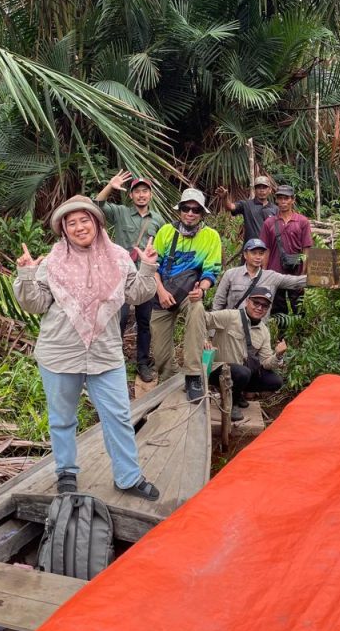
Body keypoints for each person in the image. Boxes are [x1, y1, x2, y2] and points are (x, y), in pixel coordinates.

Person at [14, 195, 160, 500]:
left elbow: (136, 295)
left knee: (118, 416)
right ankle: (66, 472)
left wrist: (146, 268)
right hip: (59, 353)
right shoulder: (52, 262)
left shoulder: (119, 257)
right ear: (63, 229)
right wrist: (27, 275)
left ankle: (128, 477)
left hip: (105, 353)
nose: (79, 227)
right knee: (62, 418)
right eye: (71, 222)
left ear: (97, 222)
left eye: (85, 220)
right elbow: (36, 303)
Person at [150, 188, 222, 401]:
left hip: (189, 293)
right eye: (186, 208)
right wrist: (161, 291)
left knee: (197, 308)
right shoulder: (165, 232)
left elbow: (211, 270)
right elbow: (152, 265)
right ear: (179, 210)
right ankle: (170, 379)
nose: (190, 213)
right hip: (162, 292)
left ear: (202, 213)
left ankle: (193, 374)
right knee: (161, 354)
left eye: (196, 210)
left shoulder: (211, 236)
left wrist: (202, 288)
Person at [96, 170, 165, 382]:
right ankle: (113, 360)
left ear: (150, 195)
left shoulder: (159, 220)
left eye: (145, 191)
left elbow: (162, 250)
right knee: (119, 318)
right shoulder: (121, 212)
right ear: (131, 196)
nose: (141, 195)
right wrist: (110, 185)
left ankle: (142, 363)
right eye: (137, 192)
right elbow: (97, 205)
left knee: (145, 321)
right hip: (121, 275)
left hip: (145, 276)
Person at [205, 287, 286, 420]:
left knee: (275, 381)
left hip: (242, 374)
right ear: (247, 301)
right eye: (256, 303)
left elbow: (265, 363)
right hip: (219, 371)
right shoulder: (230, 316)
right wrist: (204, 338)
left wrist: (278, 355)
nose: (259, 308)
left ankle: (237, 393)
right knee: (242, 372)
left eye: (264, 306)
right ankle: (231, 403)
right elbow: (202, 319)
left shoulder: (264, 331)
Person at [212, 238, 307, 314]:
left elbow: (295, 282)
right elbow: (218, 302)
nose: (258, 257)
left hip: (257, 331)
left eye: (261, 254)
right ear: (245, 255)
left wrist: (319, 279)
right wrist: (212, 333)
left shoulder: (271, 276)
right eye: (254, 253)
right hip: (232, 329)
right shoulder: (230, 274)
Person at [260, 185, 313, 316]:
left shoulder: (302, 221)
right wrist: (264, 273)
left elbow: (306, 248)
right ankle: (281, 335)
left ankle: (300, 334)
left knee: (298, 306)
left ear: (292, 200)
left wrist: (304, 273)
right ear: (276, 200)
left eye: (286, 198)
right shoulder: (269, 223)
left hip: (296, 271)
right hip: (274, 271)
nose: (283, 201)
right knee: (278, 307)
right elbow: (266, 249)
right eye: (280, 198)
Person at [215, 177, 278, 244]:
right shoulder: (246, 205)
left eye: (264, 187)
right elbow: (230, 207)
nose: (261, 190)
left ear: (270, 190)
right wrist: (225, 198)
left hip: (269, 248)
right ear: (254, 190)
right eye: (259, 187)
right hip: (250, 249)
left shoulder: (275, 209)